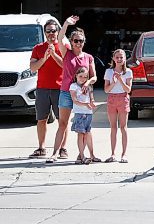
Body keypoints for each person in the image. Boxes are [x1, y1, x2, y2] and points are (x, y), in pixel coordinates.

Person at [46, 16, 101, 163]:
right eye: (75, 40)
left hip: (83, 95)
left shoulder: (88, 57)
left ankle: (83, 154)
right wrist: (66, 24)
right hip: (66, 93)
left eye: (81, 41)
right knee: (62, 124)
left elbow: (94, 76)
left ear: (84, 42)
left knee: (84, 128)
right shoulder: (67, 53)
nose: (78, 43)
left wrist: (86, 83)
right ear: (71, 42)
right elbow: (60, 37)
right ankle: (54, 153)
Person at [29, 20, 69, 159]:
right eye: (48, 31)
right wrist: (44, 57)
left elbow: (66, 66)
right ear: (44, 33)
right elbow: (33, 67)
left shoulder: (64, 47)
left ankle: (63, 148)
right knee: (41, 119)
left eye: (53, 31)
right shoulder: (38, 48)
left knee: (62, 121)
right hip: (42, 89)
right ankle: (42, 147)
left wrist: (53, 54)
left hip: (60, 89)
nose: (51, 34)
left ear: (58, 32)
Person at [103, 49, 133, 163]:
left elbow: (128, 89)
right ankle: (113, 154)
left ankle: (124, 154)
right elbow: (106, 89)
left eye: (121, 57)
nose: (119, 59)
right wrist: (114, 81)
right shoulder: (109, 72)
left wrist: (120, 79)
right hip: (111, 98)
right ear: (113, 59)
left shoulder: (128, 72)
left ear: (125, 59)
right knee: (113, 127)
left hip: (123, 98)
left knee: (123, 127)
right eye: (117, 57)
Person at [69, 67, 96, 164]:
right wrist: (85, 104)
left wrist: (92, 103)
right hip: (80, 113)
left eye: (85, 77)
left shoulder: (88, 86)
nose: (83, 79)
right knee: (81, 134)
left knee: (87, 133)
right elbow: (75, 100)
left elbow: (91, 98)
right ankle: (81, 155)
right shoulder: (73, 86)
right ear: (76, 76)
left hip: (88, 113)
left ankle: (86, 155)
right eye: (80, 76)